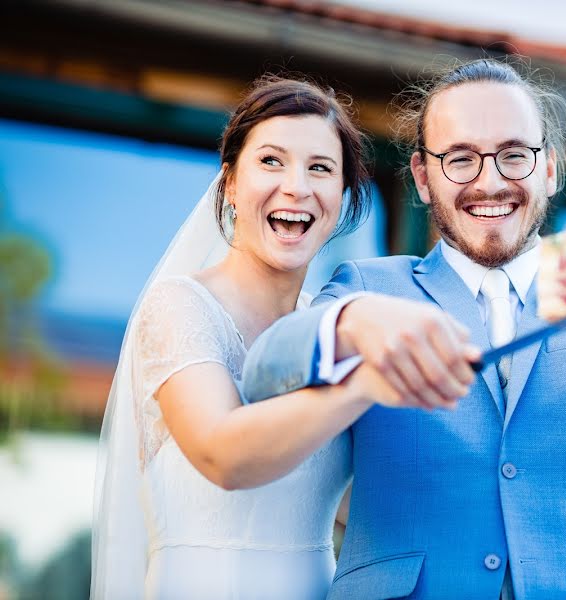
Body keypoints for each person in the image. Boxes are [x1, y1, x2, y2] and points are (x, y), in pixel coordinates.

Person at [241, 58, 566, 599]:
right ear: (423, 177)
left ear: (550, 169)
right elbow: (266, 369)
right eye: (461, 159)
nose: (490, 182)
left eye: (514, 156)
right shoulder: (368, 288)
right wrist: (352, 320)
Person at [90, 75, 417, 599]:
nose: (297, 186)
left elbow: (370, 510)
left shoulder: (328, 332)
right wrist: (368, 382)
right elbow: (225, 455)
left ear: (343, 195)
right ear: (231, 185)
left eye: (320, 168)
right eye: (271, 161)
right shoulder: (180, 306)